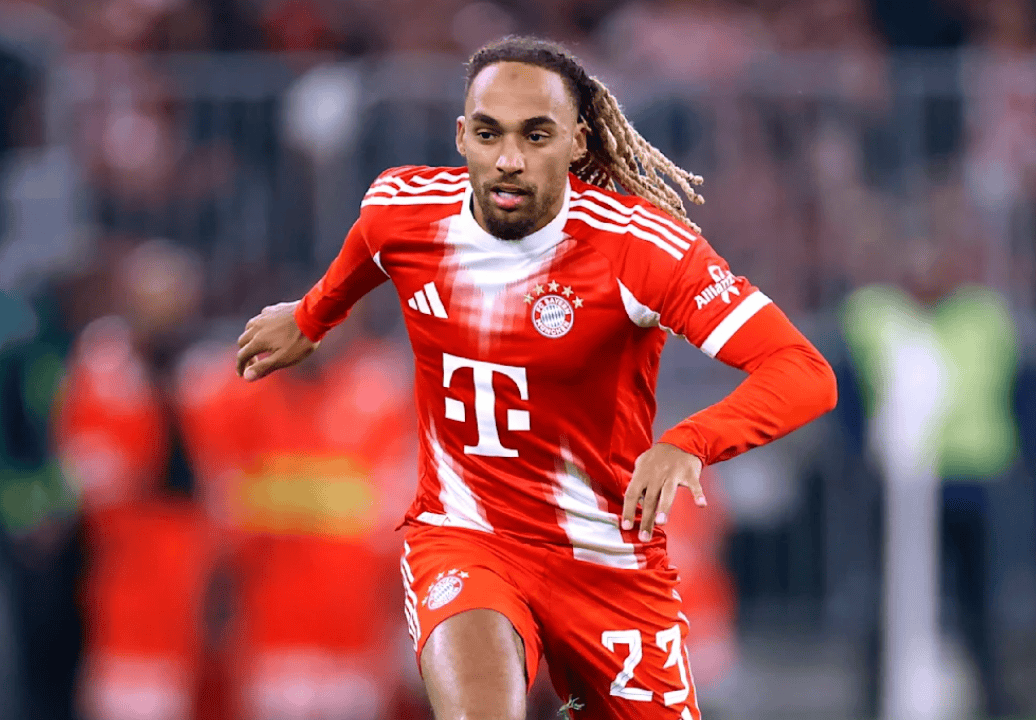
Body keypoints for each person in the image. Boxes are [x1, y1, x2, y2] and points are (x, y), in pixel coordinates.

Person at [235, 36, 838, 720]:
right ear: (461, 136)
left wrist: (689, 443)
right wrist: (311, 317)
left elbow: (803, 371)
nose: (509, 159)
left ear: (577, 142)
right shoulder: (403, 209)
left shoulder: (642, 249)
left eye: (536, 135)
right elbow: (366, 252)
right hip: (465, 538)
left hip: (606, 561)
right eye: (488, 133)